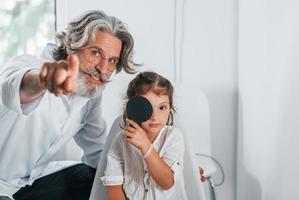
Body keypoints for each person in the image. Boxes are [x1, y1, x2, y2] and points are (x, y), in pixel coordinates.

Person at [0, 10, 138, 200]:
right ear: (72, 46)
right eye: (96, 53)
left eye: (112, 61)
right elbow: (13, 88)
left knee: (94, 177)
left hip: (29, 183)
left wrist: (143, 176)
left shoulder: (90, 97)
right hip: (2, 186)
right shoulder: (27, 65)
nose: (103, 69)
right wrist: (45, 79)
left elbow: (98, 152)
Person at [100, 71, 187, 200]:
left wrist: (146, 146)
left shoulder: (173, 137)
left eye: (162, 107)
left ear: (170, 108)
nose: (155, 117)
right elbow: (114, 185)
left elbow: (167, 182)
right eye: (148, 108)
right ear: (133, 109)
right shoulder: (121, 141)